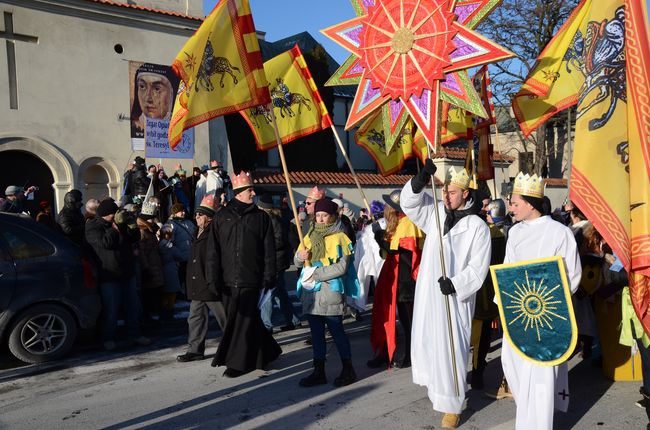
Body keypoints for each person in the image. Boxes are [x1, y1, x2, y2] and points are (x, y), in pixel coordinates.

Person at [400, 160, 491, 429]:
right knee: (430, 339)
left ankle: (453, 403)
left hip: (454, 296)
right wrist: (419, 180)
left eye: (451, 192)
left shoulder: (477, 226)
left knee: (452, 345)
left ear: (465, 193)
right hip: (430, 291)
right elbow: (410, 204)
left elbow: (478, 266)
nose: (445, 196)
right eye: (444, 191)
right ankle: (436, 389)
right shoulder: (437, 213)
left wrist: (456, 284)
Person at [498, 172, 581, 430]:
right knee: (512, 365)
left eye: (514, 203)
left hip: (548, 315)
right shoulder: (514, 233)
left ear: (530, 203)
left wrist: (551, 302)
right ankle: (527, 417)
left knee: (542, 376)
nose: (510, 208)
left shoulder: (560, 232)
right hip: (518, 314)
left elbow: (572, 275)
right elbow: (508, 269)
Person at [208, 171, 281, 377]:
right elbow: (213, 250)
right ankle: (265, 352)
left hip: (252, 277)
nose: (253, 193)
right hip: (227, 279)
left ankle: (237, 363)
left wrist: (269, 275)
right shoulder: (222, 216)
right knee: (243, 319)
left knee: (243, 321)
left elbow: (268, 250)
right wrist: (212, 278)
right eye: (250, 190)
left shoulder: (261, 217)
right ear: (239, 193)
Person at [294, 198, 359, 387]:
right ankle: (318, 371)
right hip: (311, 294)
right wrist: (300, 256)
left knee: (337, 332)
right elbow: (297, 261)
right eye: (318, 215)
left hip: (330, 291)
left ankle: (348, 369)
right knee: (316, 334)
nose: (320, 219)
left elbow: (342, 267)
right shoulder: (309, 235)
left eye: (324, 216)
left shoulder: (340, 236)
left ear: (332, 217)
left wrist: (316, 273)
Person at [368, 190, 425, 369]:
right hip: (393, 279)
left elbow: (406, 254)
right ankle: (385, 351)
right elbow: (388, 253)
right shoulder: (398, 224)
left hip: (406, 281)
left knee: (408, 322)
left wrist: (379, 237)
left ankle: (410, 355)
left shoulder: (408, 223)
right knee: (388, 315)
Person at [85, 198, 149, 350]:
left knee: (133, 308)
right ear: (106, 215)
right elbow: (106, 243)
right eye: (113, 214)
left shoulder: (120, 223)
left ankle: (135, 335)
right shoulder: (93, 227)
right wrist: (115, 228)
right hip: (109, 275)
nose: (116, 217)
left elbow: (135, 239)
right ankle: (108, 338)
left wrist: (132, 225)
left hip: (127, 272)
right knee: (111, 310)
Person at [177, 195, 228, 362]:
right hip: (197, 282)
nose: (196, 217)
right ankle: (195, 350)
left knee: (225, 318)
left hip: (211, 282)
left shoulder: (216, 232)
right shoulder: (195, 232)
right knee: (195, 318)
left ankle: (235, 347)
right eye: (196, 214)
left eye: (200, 214)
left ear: (209, 217)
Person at [258, 194, 301, 332]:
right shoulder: (271, 219)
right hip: (276, 260)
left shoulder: (272, 220)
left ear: (264, 208)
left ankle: (266, 326)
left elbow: (279, 240)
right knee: (280, 293)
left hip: (275, 261)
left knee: (268, 293)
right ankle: (293, 320)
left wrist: (263, 246)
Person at [130, 63, 177, 138]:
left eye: (157, 89)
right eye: (142, 86)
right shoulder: (133, 128)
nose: (148, 98)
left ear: (172, 93)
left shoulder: (181, 130)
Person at [165, 202, 196, 296]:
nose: (183, 213)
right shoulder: (170, 225)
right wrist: (176, 254)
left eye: (183, 210)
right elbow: (168, 243)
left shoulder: (189, 223)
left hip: (190, 255)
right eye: (180, 211)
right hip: (179, 257)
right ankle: (180, 295)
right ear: (175, 212)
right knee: (180, 277)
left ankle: (189, 293)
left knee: (190, 276)